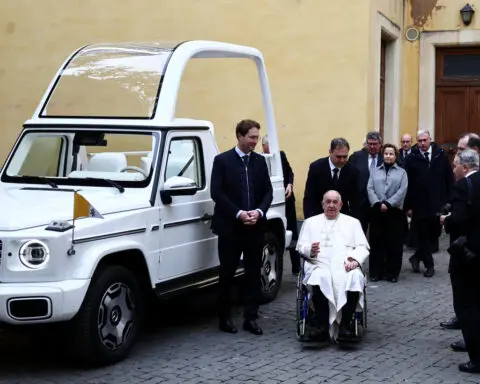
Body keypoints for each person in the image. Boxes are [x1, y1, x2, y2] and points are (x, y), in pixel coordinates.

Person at [210, 119, 273, 336]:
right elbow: (217, 193)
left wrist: (259, 212)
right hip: (230, 227)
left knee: (253, 273)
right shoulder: (222, 161)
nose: (255, 141)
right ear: (239, 136)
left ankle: (251, 317)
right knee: (227, 273)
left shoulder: (259, 162)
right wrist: (238, 214)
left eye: (257, 137)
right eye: (252, 137)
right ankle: (224, 318)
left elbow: (268, 192)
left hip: (255, 227)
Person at [296, 190, 369, 340]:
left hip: (344, 265)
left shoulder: (353, 223)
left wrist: (354, 260)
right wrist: (310, 250)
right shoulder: (310, 222)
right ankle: (322, 326)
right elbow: (301, 246)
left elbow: (363, 247)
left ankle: (345, 326)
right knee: (319, 277)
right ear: (322, 204)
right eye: (328, 202)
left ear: (341, 205)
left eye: (335, 202)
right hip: (318, 264)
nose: (331, 205)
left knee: (355, 277)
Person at [440, 149, 480, 373]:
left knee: (467, 306)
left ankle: (476, 358)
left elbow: (459, 220)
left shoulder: (463, 186)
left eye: (455, 165)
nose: (453, 169)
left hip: (468, 256)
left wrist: (446, 220)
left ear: (465, 167)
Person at [404, 130, 454, 277]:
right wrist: (408, 205)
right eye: (419, 141)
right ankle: (429, 265)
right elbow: (408, 182)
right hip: (419, 204)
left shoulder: (440, 155)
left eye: (425, 140)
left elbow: (448, 178)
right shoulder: (412, 157)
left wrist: (449, 199)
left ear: (430, 139)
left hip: (437, 202)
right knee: (424, 235)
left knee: (435, 234)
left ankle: (416, 257)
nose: (422, 143)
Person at [367, 144, 408, 282]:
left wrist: (389, 203)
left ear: (396, 156)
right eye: (386, 154)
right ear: (382, 155)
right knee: (377, 243)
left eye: (391, 154)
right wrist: (378, 203)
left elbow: (402, 191)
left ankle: (392, 273)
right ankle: (376, 272)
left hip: (394, 212)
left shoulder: (402, 173)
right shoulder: (374, 171)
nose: (388, 156)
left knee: (394, 244)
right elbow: (370, 188)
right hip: (377, 211)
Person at [262, 135, 300, 274]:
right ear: (264, 146)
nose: (272, 150)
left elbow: (290, 172)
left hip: (287, 198)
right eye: (269, 147)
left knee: (293, 232)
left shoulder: (280, 155)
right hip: (272, 201)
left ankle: (297, 267)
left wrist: (290, 184)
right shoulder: (259, 158)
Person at [303, 138, 360, 220]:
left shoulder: (353, 171)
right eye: (338, 157)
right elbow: (309, 198)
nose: (342, 160)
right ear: (330, 152)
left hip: (342, 218)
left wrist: (354, 221)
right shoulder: (316, 168)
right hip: (319, 216)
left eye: (345, 156)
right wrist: (309, 220)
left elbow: (355, 201)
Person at [348, 131, 384, 233]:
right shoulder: (356, 157)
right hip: (360, 203)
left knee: (377, 233)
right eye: (370, 144)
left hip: (378, 202)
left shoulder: (385, 157)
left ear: (380, 144)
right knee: (359, 232)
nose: (372, 146)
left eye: (375, 144)